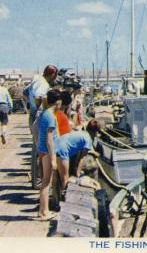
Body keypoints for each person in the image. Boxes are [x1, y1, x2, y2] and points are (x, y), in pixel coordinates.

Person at [55, 119, 101, 192]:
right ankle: (63, 197)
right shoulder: (88, 139)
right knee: (65, 178)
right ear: (95, 133)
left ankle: (57, 196)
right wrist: (78, 173)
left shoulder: (81, 133)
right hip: (63, 150)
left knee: (57, 176)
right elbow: (83, 158)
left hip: (56, 144)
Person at [37, 89, 61, 220]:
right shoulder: (50, 116)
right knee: (47, 181)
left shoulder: (46, 114)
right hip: (47, 151)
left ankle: (42, 210)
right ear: (57, 101)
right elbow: (49, 140)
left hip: (43, 150)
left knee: (45, 181)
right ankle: (44, 212)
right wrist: (53, 160)